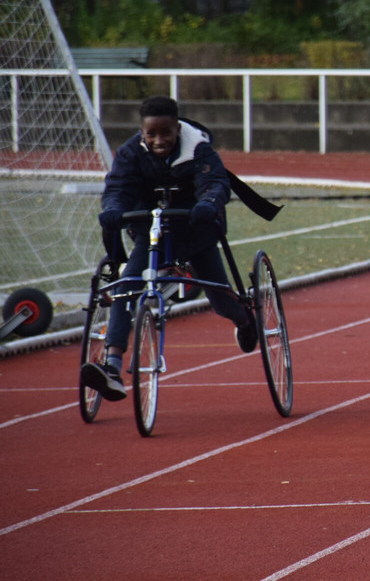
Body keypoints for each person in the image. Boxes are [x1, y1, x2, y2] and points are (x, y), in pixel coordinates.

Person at [80, 95, 275, 402]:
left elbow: (215, 183)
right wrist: (114, 208)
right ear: (142, 132)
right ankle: (113, 367)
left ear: (177, 129)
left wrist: (208, 203)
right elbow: (118, 187)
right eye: (151, 134)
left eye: (166, 133)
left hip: (195, 229)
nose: (159, 140)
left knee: (219, 296)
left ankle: (243, 319)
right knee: (125, 288)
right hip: (151, 231)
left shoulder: (198, 148)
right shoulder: (131, 153)